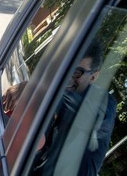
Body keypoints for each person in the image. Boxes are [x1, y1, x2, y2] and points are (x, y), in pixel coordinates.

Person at [32, 39, 117, 176]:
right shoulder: (60, 99)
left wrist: (37, 89)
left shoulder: (105, 103)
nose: (68, 77)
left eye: (77, 72)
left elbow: (89, 116)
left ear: (93, 77)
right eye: (66, 68)